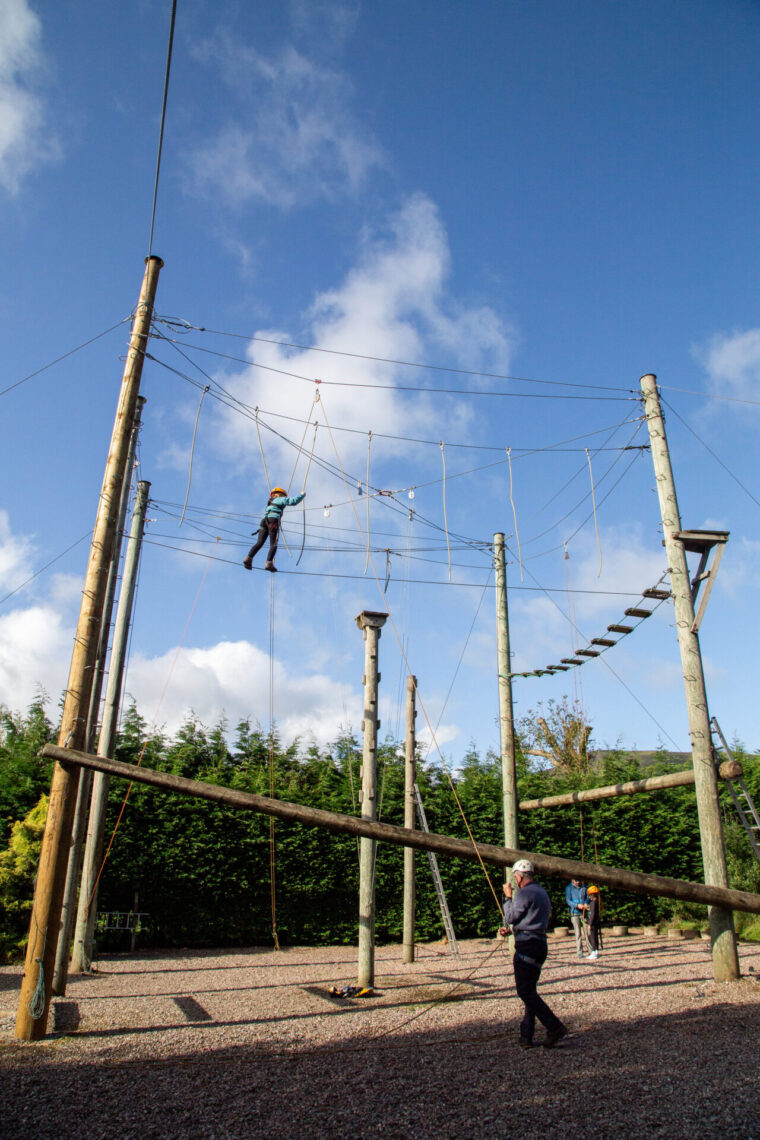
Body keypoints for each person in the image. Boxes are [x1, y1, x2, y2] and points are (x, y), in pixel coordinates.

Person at [499, 859, 569, 1049]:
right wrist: (513, 931)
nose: (514, 881)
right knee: (530, 991)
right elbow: (531, 920)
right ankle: (526, 1036)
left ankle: (554, 1027)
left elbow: (511, 916)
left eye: (515, 877)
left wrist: (507, 898)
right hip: (539, 943)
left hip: (527, 945)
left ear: (520, 876)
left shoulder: (523, 893)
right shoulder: (541, 892)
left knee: (524, 991)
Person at [243, 486, 305, 572]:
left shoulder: (270, 503)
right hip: (273, 520)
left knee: (259, 543)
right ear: (281, 495)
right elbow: (293, 502)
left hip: (264, 522)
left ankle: (248, 558)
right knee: (273, 544)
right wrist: (302, 495)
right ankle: (269, 563)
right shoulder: (280, 499)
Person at [565, 877, 589, 959]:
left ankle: (590, 950)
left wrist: (585, 904)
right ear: (572, 880)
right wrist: (577, 905)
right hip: (574, 913)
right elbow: (568, 901)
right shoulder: (569, 888)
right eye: (576, 881)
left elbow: (587, 898)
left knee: (587, 932)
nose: (577, 882)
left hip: (583, 912)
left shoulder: (584, 887)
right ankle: (580, 952)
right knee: (578, 933)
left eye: (579, 881)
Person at [585, 884, 602, 961]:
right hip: (596, 922)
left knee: (592, 937)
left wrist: (590, 924)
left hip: (593, 923)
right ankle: (596, 951)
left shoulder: (592, 903)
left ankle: (593, 952)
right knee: (595, 937)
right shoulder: (597, 902)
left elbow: (592, 914)